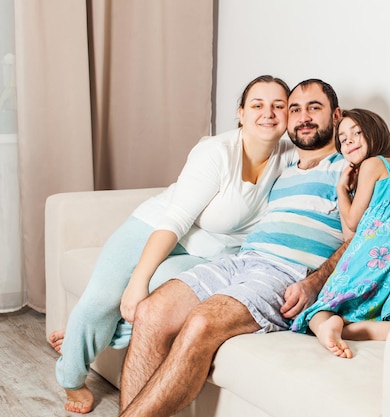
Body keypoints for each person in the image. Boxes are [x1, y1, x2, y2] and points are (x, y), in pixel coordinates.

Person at [47, 74, 297, 414]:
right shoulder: (216, 152)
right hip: (158, 226)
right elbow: (174, 222)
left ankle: (90, 334)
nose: (267, 113)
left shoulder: (291, 156)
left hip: (209, 252)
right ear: (240, 112)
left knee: (154, 306)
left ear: (288, 113)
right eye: (257, 105)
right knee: (105, 298)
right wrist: (135, 282)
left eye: (277, 106)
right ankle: (72, 377)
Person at [118, 79, 346, 417]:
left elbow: (368, 231)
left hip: (288, 274)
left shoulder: (352, 168)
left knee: (200, 323)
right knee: (150, 312)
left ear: (337, 116)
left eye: (315, 108)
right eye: (295, 109)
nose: (303, 117)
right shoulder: (282, 165)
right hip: (242, 261)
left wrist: (315, 283)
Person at [291, 108, 390, 358]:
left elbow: (351, 224)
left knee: (316, 312)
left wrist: (341, 189)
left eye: (356, 132)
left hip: (368, 255)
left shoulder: (372, 165)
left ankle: (330, 324)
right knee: (350, 318)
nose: (348, 141)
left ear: (375, 132)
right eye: (342, 138)